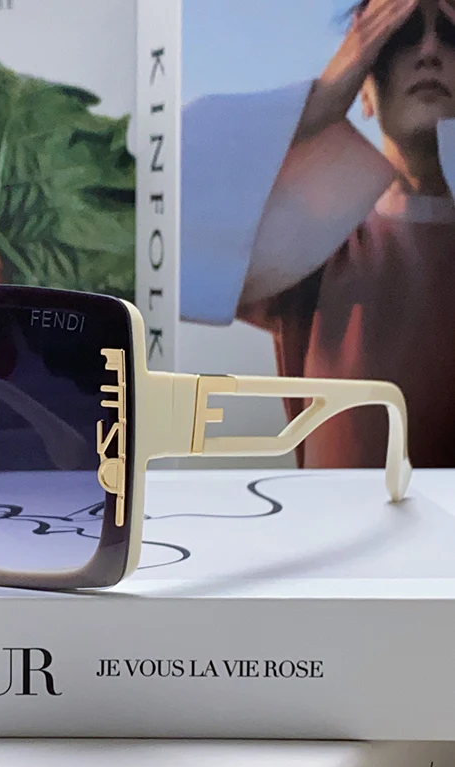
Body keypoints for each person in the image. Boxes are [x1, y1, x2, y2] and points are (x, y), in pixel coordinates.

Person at [181, 0, 455, 469]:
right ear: (365, 88)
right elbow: (156, 220)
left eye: (451, 34)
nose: (429, 51)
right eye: (400, 34)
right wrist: (321, 99)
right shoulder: (318, 243)